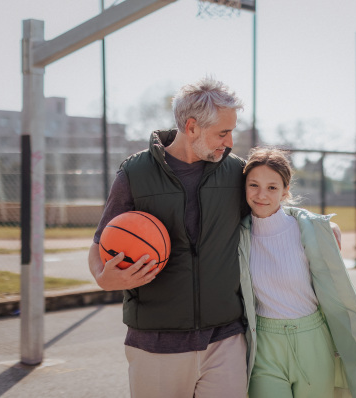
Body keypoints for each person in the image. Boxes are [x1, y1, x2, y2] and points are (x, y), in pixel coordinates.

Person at [88, 77, 251, 398]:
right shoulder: (134, 174)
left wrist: (318, 226)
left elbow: (273, 210)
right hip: (156, 341)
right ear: (191, 127)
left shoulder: (237, 173)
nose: (229, 141)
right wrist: (103, 278)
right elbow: (99, 245)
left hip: (226, 338)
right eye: (222, 132)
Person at [237, 147, 356, 398]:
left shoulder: (313, 232)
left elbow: (340, 302)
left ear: (285, 191)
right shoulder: (237, 236)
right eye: (253, 185)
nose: (261, 195)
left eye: (272, 187)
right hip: (265, 348)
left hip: (313, 342)